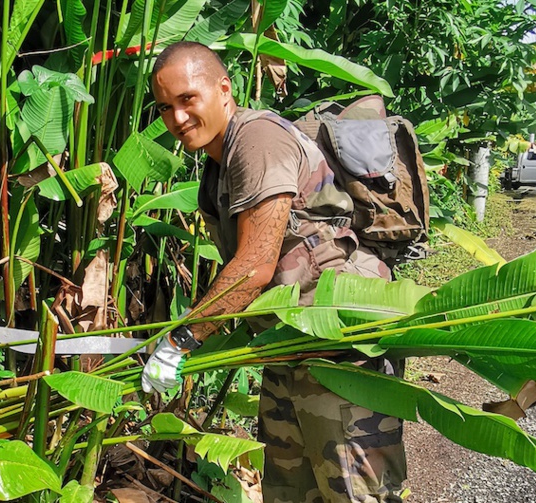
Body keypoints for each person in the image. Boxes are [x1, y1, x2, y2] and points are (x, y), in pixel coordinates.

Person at [140, 41, 407, 503]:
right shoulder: (217, 164)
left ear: (223, 89)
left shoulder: (257, 140)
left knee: (356, 495)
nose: (177, 118)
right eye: (166, 107)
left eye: (188, 99)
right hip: (289, 349)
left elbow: (254, 266)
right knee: (291, 494)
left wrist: (179, 341)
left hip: (339, 345)